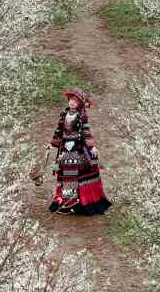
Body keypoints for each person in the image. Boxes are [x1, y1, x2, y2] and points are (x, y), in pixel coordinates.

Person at [42, 87, 111, 215]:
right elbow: (59, 131)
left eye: (75, 100)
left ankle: (80, 203)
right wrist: (52, 144)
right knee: (66, 176)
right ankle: (67, 203)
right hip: (65, 151)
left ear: (79, 103)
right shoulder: (64, 114)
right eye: (71, 100)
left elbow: (86, 132)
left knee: (77, 174)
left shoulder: (82, 116)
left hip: (78, 150)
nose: (72, 102)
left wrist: (92, 147)